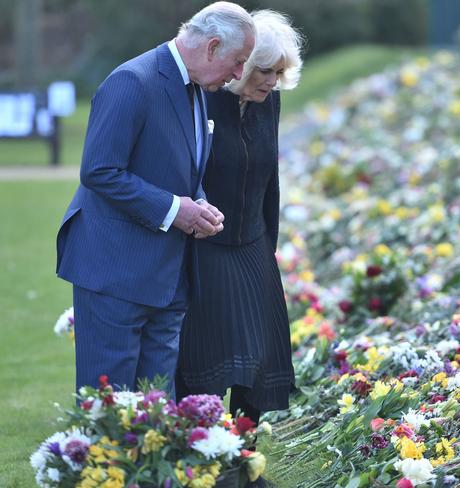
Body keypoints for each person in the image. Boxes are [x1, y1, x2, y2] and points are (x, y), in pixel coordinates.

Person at [55, 2, 256, 399]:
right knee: (109, 411)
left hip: (167, 277)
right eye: (238, 62)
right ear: (213, 46)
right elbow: (99, 170)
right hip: (114, 271)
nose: (239, 75)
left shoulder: (197, 86)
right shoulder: (132, 80)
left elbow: (180, 167)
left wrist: (198, 204)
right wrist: (174, 209)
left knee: (156, 412)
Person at [176, 10, 303, 427]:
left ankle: (245, 461)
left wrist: (269, 247)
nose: (272, 81)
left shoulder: (271, 103)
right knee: (208, 360)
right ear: (241, 64)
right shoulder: (204, 97)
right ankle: (207, 459)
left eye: (279, 73)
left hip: (253, 244)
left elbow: (271, 180)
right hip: (206, 247)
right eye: (265, 70)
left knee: (260, 361)